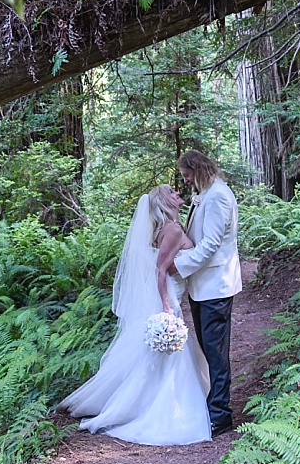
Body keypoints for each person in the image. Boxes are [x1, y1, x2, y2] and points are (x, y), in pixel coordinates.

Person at [57, 185, 212, 445]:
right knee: (171, 353)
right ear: (164, 201)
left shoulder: (165, 228)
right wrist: (166, 307)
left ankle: (146, 399)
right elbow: (160, 270)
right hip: (169, 295)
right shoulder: (172, 230)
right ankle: (165, 406)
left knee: (160, 354)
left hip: (171, 293)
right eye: (172, 192)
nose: (178, 193)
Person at [171, 150, 241, 437]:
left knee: (215, 350)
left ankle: (221, 415)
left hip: (216, 286)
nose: (187, 183)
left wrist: (178, 265)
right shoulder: (206, 194)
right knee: (207, 347)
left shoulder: (218, 197)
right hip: (202, 287)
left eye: (188, 176)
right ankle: (213, 404)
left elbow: (211, 244)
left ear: (199, 169)